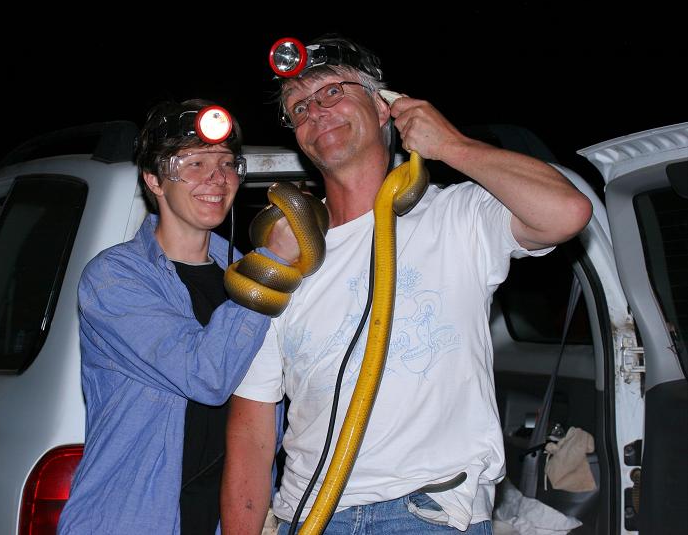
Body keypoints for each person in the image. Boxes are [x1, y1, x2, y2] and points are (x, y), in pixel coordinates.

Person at [221, 35, 593, 534]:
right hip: (309, 517)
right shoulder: (285, 256)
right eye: (300, 107)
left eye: (333, 91)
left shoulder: (457, 215)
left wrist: (451, 145)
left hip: (428, 514)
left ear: (383, 107)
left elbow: (568, 212)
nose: (316, 112)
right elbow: (251, 428)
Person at [58, 99, 277, 534]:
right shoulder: (114, 278)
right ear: (154, 180)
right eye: (194, 163)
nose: (216, 178)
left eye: (226, 163)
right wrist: (272, 265)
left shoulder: (243, 273)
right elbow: (206, 375)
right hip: (135, 520)